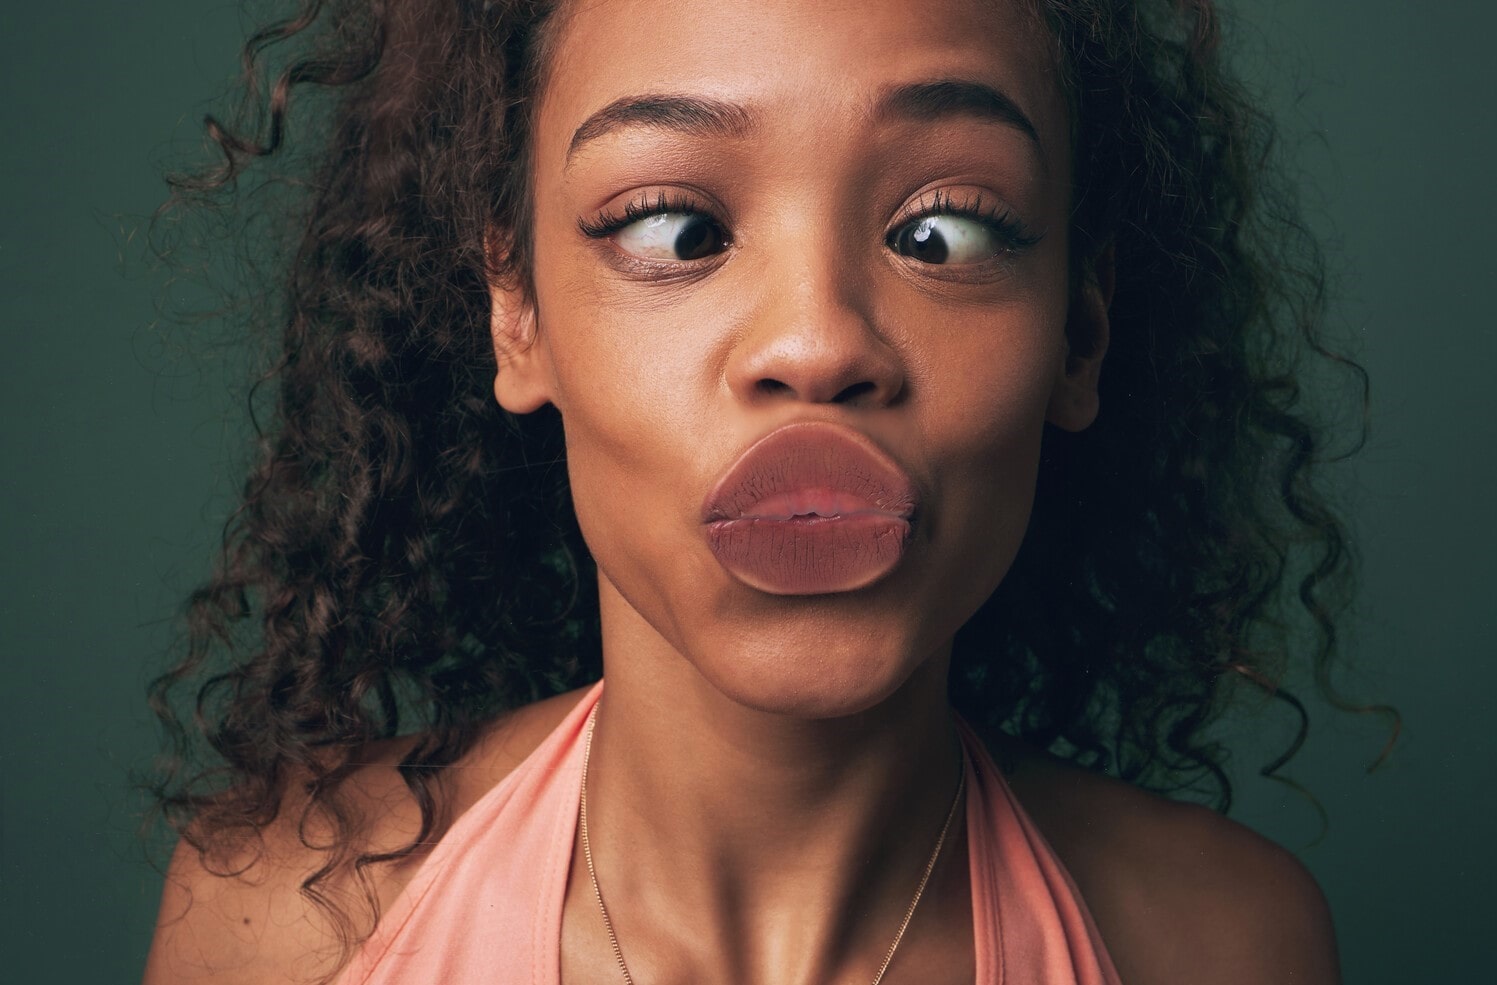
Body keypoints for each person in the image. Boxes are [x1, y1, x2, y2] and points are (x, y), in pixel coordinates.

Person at [142, 0, 1363, 982]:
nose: (817, 342)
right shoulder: (286, 921)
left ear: (1078, 334)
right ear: (516, 316)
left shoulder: (1223, 946)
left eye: (944, 232)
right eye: (675, 228)